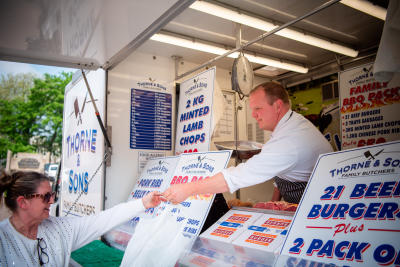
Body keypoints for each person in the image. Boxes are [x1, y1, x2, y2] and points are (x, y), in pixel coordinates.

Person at [163, 81, 333, 205]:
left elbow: (237, 177)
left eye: (258, 109)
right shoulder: (290, 124)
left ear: (277, 106)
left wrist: (188, 189)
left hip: (321, 205)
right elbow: (283, 172)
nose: (253, 115)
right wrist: (272, 205)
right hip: (302, 203)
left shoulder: (291, 140)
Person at [0, 171, 163, 266]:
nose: (52, 201)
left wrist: (143, 203)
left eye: (53, 195)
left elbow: (102, 220)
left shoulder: (59, 228)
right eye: (46, 196)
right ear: (23, 202)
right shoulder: (3, 240)